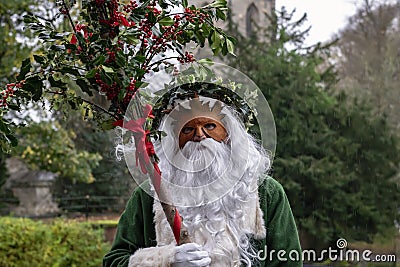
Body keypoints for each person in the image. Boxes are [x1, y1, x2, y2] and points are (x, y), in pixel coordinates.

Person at [103, 89, 302, 266]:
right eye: (188, 129)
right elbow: (114, 261)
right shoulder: (148, 195)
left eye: (209, 126)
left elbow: (288, 261)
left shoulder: (266, 192)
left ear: (229, 133)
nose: (199, 135)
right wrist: (166, 259)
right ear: (173, 140)